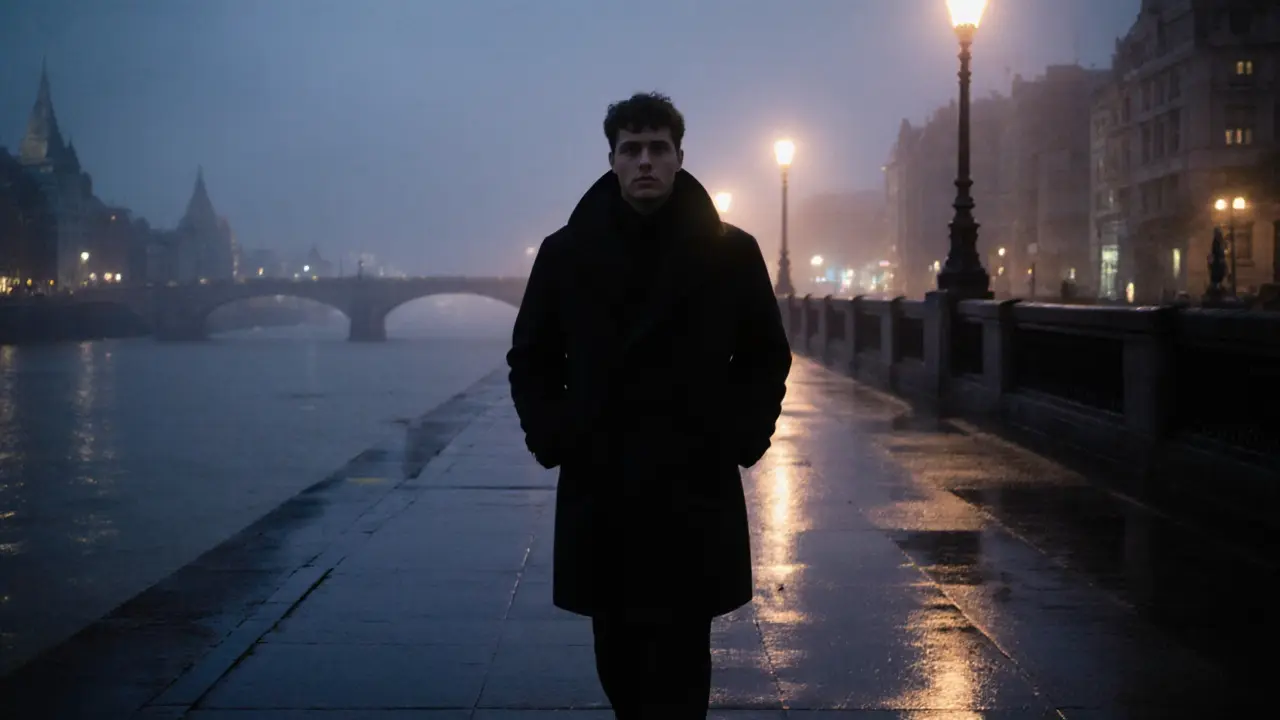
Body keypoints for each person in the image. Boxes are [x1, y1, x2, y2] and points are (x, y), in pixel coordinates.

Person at [506, 91, 792, 719]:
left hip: (691, 477)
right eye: (630, 149)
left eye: (657, 149)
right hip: (602, 477)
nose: (644, 162)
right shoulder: (566, 254)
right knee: (616, 649)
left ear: (679, 157)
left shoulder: (731, 252)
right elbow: (530, 358)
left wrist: (740, 437)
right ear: (610, 159)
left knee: (686, 652)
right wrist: (556, 436)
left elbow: (766, 355)